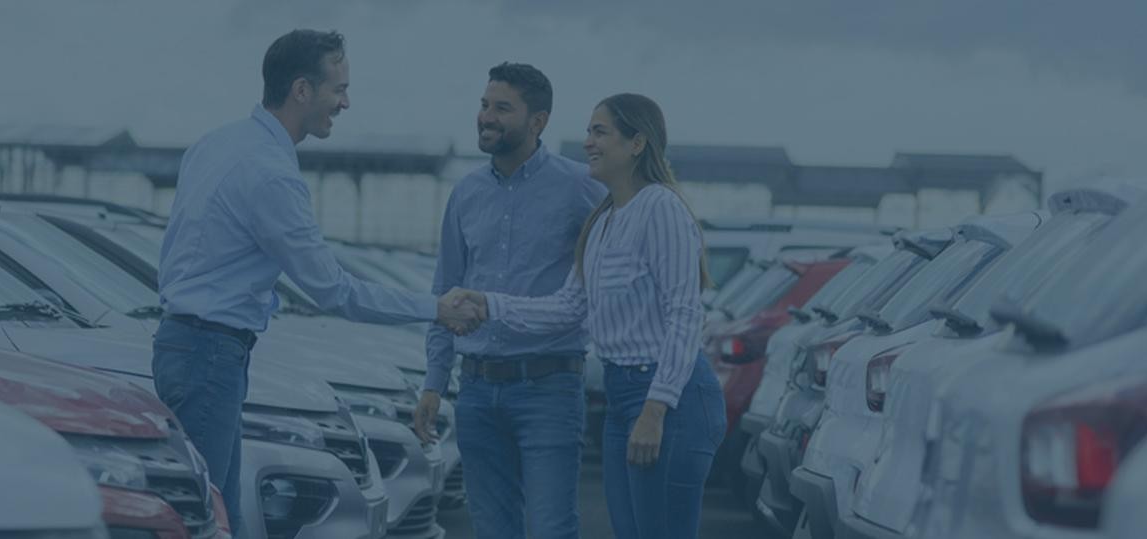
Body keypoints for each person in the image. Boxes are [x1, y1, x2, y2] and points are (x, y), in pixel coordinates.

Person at [154, 29, 483, 534]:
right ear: (302, 90)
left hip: (191, 347)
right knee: (208, 524)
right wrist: (435, 308)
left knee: (225, 519)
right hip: (210, 358)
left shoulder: (215, 144)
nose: (346, 102)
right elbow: (333, 289)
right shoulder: (271, 174)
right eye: (339, 89)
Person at [446, 93, 726, 539]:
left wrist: (655, 409)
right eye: (588, 132)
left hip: (669, 398)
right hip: (621, 396)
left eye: (600, 132)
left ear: (637, 143)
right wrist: (489, 304)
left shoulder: (661, 207)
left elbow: (685, 313)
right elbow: (569, 307)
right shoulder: (603, 221)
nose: (588, 143)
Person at [410, 62, 606, 539]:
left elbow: (614, 268)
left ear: (537, 121)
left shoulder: (581, 187)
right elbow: (447, 289)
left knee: (550, 529)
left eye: (502, 108)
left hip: (550, 388)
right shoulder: (466, 192)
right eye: (483, 105)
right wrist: (434, 382)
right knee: (493, 531)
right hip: (476, 392)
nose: (486, 117)